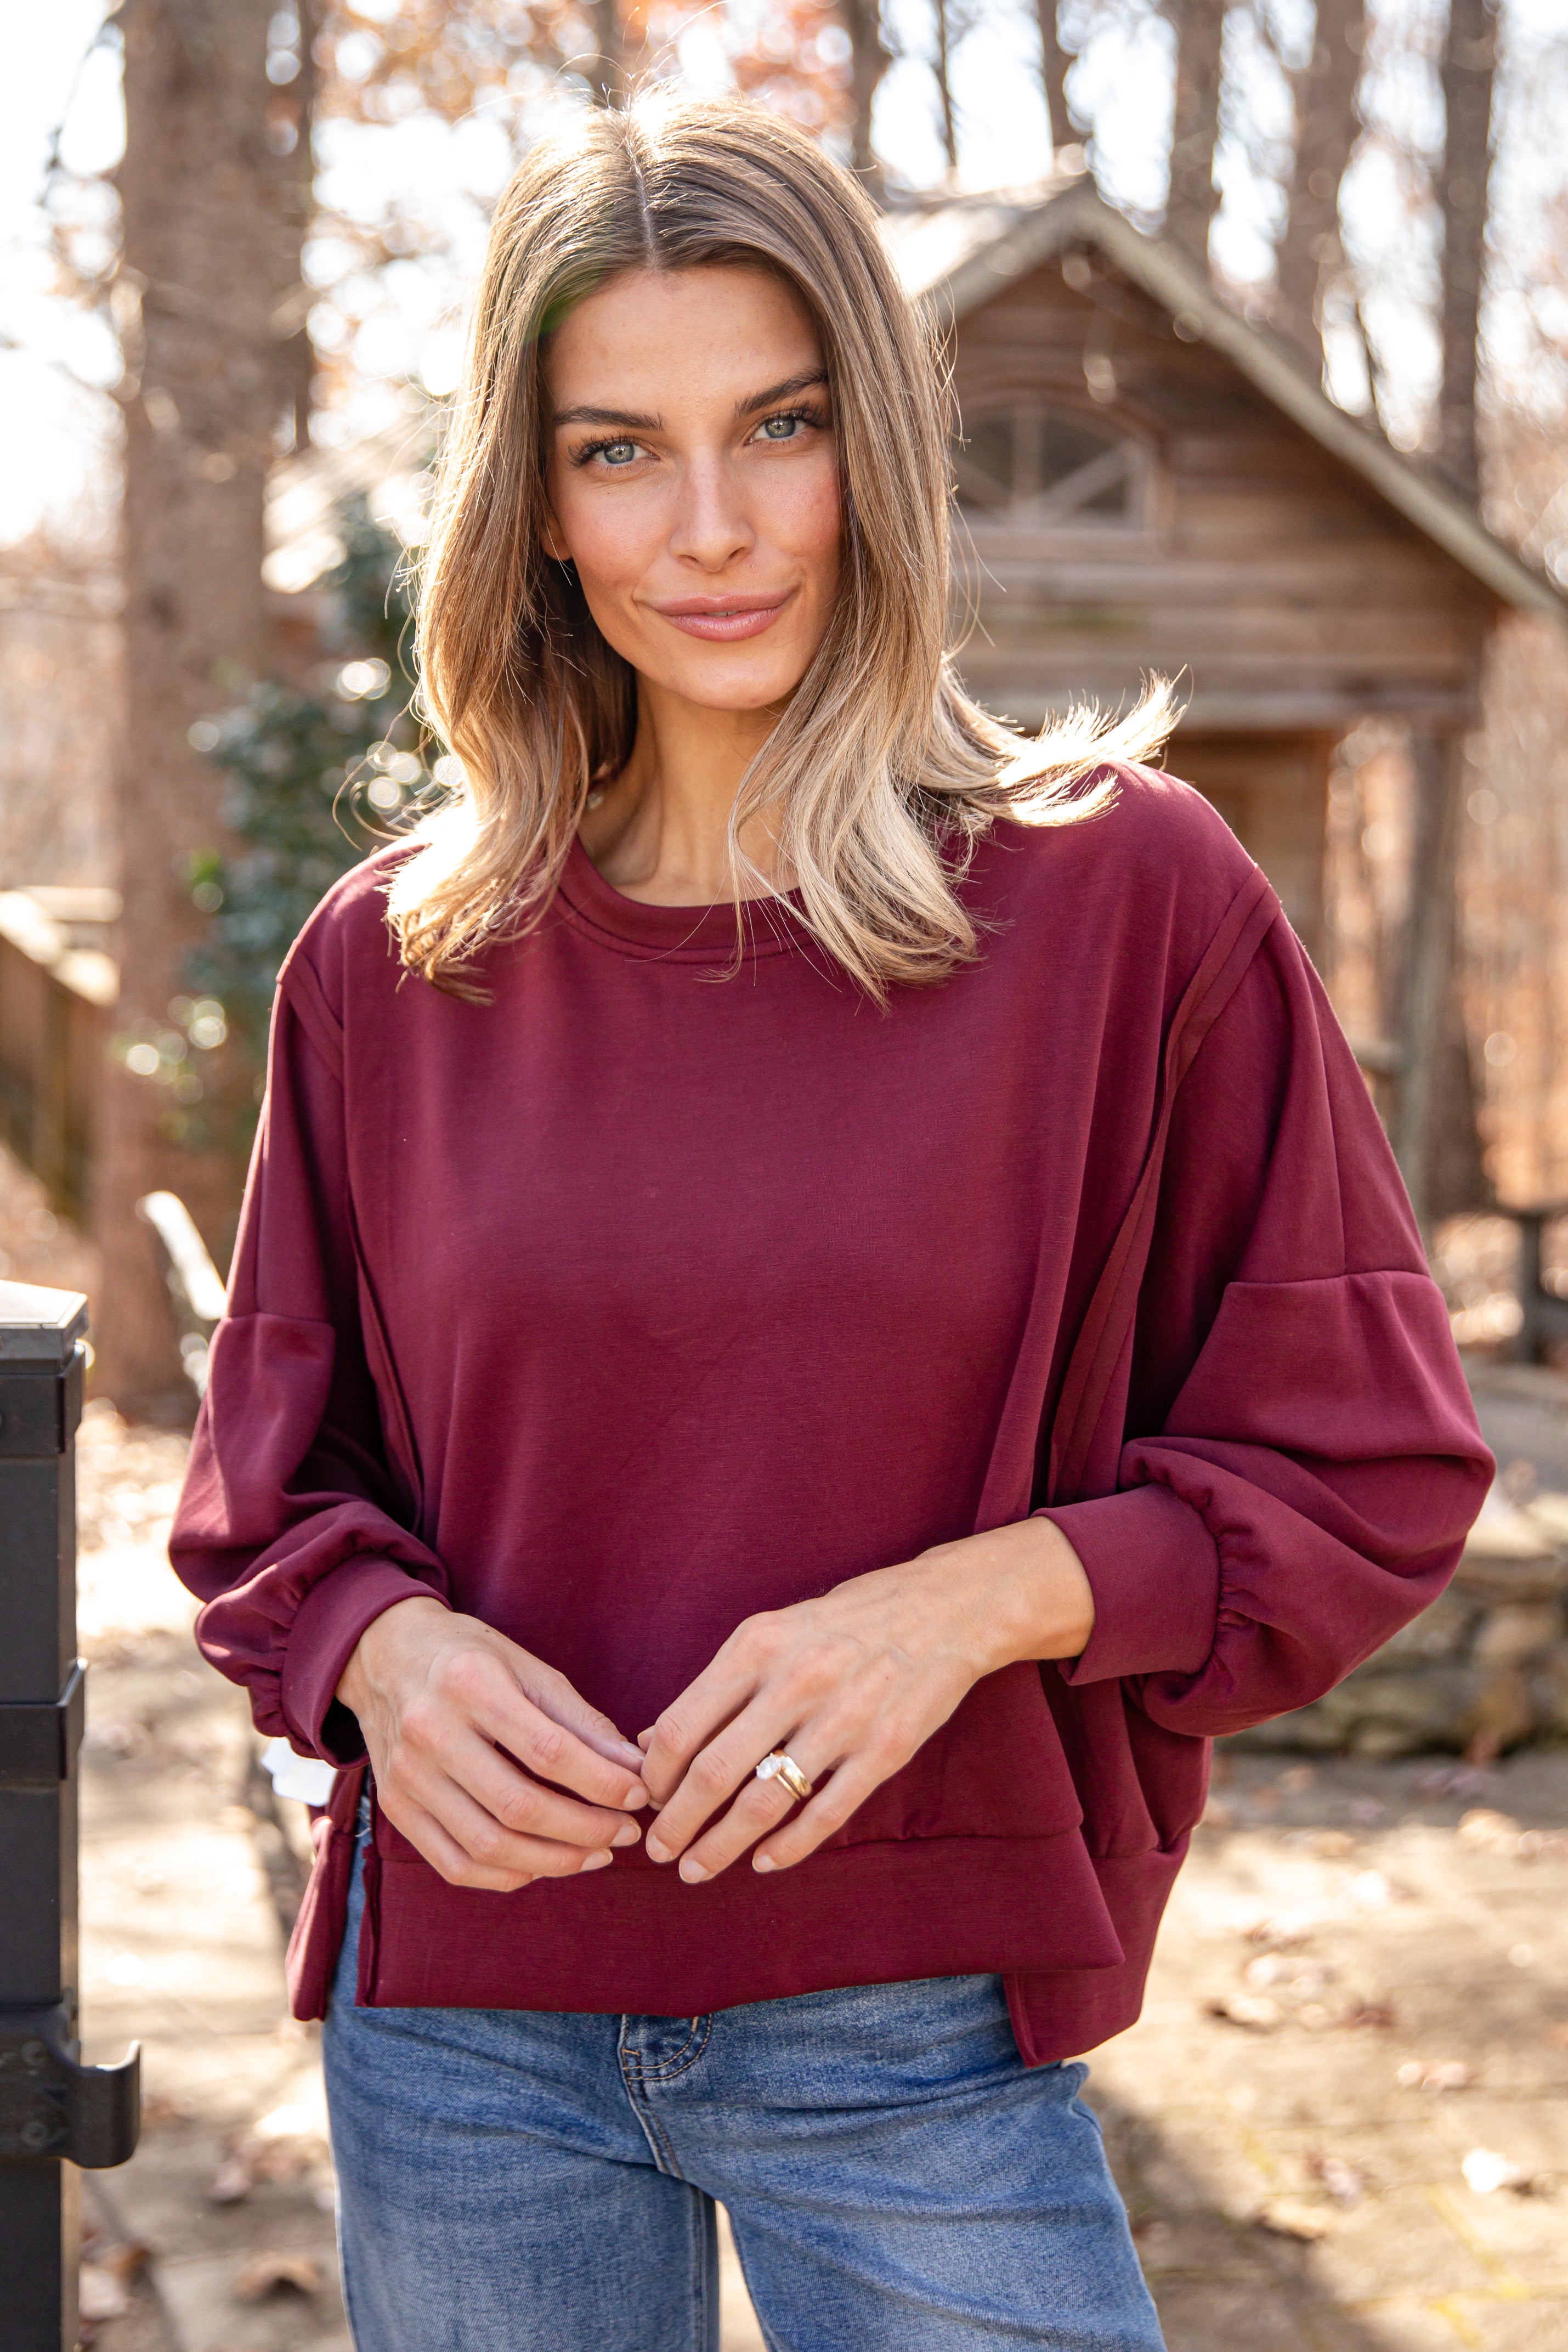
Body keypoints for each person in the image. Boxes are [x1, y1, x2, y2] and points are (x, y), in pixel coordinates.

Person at [171, 93, 1491, 2352]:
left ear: (872, 441)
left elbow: (1362, 1468)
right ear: (535, 503)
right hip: (465, 2020)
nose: (711, 527)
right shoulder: (394, 965)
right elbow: (268, 1505)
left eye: (776, 425)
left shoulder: (1123, 903)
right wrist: (382, 1645)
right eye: (619, 449)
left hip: (915, 2031)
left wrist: (963, 1607)